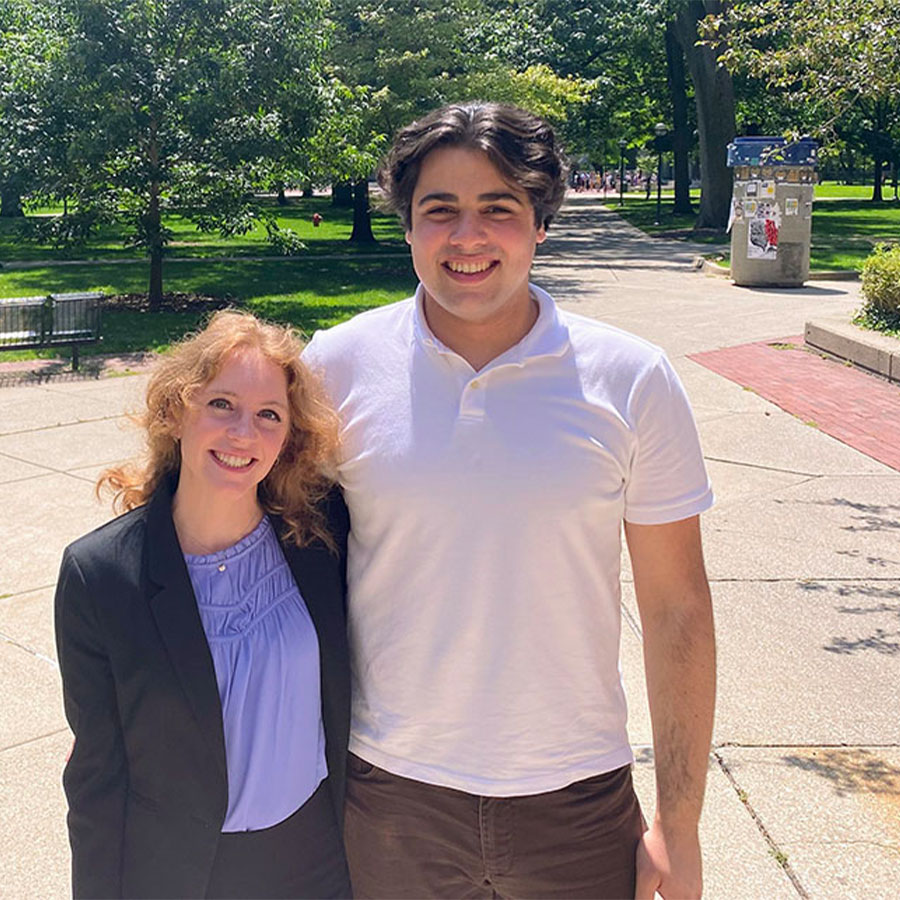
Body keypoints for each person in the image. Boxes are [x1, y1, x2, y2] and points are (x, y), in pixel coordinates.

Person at [303, 100, 716, 900]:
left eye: (498, 209)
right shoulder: (338, 368)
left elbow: (677, 610)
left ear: (540, 226)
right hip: (389, 791)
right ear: (408, 226)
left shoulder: (632, 378)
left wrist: (681, 822)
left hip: (577, 797)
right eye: (440, 211)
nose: (468, 237)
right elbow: (264, 556)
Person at [55, 310, 352, 899]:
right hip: (183, 876)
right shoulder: (101, 576)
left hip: (317, 861)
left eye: (269, 414)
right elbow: (96, 777)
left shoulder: (320, 539)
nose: (244, 433)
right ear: (175, 412)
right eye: (221, 404)